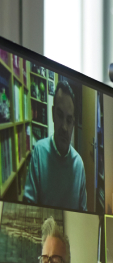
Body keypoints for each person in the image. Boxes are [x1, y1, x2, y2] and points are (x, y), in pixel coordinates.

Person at [23, 80, 87, 211]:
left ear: (73, 123)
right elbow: (28, 206)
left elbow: (83, 213)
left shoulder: (79, 165)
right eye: (59, 115)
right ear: (52, 114)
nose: (64, 127)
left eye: (69, 120)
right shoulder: (39, 153)